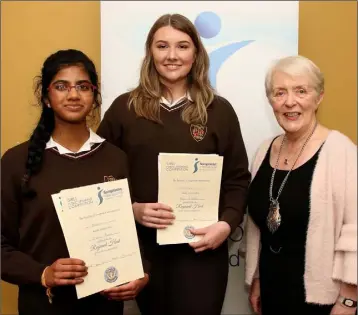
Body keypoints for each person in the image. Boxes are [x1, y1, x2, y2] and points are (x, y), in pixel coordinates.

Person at [97, 13, 251, 315]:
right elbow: (98, 177)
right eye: (162, 46)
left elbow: (237, 179)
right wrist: (132, 209)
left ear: (196, 54)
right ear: (150, 52)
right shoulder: (124, 109)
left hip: (201, 253)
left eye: (182, 46)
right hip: (143, 252)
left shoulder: (218, 111)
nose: (171, 56)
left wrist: (225, 224)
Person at [1, 49, 149, 315]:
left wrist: (141, 273)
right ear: (46, 97)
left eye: (83, 86)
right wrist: (43, 273)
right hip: (43, 307)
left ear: (94, 96)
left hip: (104, 308)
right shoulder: (15, 162)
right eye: (61, 86)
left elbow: (130, 235)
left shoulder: (116, 159)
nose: (73, 95)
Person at [244, 55, 357, 315]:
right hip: (272, 292)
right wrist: (257, 278)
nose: (290, 102)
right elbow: (260, 226)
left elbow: (355, 231)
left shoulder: (342, 152)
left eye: (301, 91)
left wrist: (349, 300)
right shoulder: (264, 150)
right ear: (270, 101)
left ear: (319, 98)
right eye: (279, 92)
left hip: (322, 301)